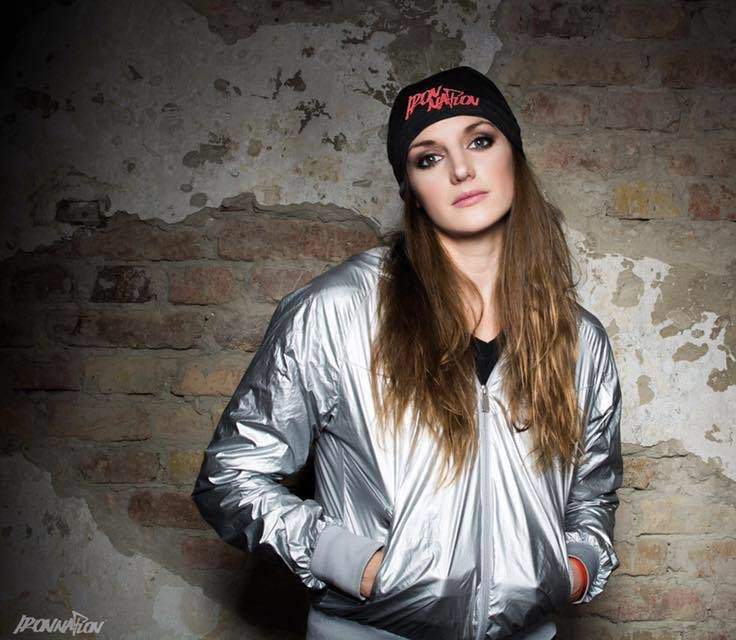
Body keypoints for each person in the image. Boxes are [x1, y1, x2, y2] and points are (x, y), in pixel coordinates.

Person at [192, 65, 623, 640]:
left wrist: (571, 570)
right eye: (429, 158)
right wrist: (357, 563)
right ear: (410, 189)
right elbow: (231, 476)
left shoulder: (579, 338)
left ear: (514, 157)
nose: (461, 169)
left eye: (480, 140)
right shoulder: (338, 311)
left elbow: (593, 495)